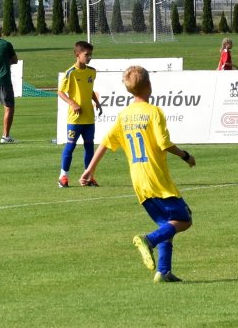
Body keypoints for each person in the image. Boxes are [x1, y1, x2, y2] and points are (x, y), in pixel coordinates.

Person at [80, 66, 198, 283]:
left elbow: (106, 142)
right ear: (149, 85)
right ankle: (148, 240)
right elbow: (164, 143)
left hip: (138, 181)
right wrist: (185, 156)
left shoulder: (124, 115)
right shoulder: (154, 112)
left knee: (167, 223)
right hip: (156, 178)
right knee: (184, 219)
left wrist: (90, 169)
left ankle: (163, 271)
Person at [59, 41, 104, 187]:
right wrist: (72, 103)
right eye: (86, 55)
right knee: (70, 146)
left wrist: (97, 102)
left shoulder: (92, 71)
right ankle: (63, 177)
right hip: (75, 118)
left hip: (89, 117)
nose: (89, 57)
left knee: (89, 146)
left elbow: (89, 90)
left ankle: (88, 176)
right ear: (78, 55)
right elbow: (60, 92)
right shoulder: (70, 73)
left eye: (90, 54)